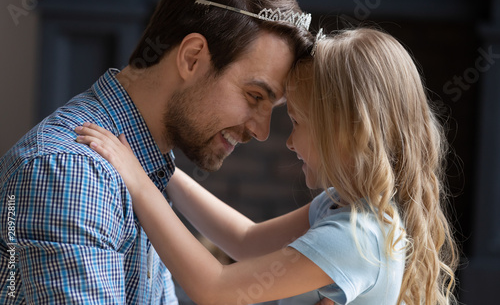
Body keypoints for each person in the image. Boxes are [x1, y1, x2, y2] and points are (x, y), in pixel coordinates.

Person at [74, 27, 460, 304]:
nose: (289, 142)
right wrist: (163, 170)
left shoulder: (357, 238)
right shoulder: (340, 207)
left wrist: (140, 185)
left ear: (348, 132)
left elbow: (215, 288)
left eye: (297, 122)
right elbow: (245, 241)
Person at [0, 0, 314, 303]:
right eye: (254, 96)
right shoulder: (76, 173)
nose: (261, 132)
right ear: (192, 58)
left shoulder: (145, 166)